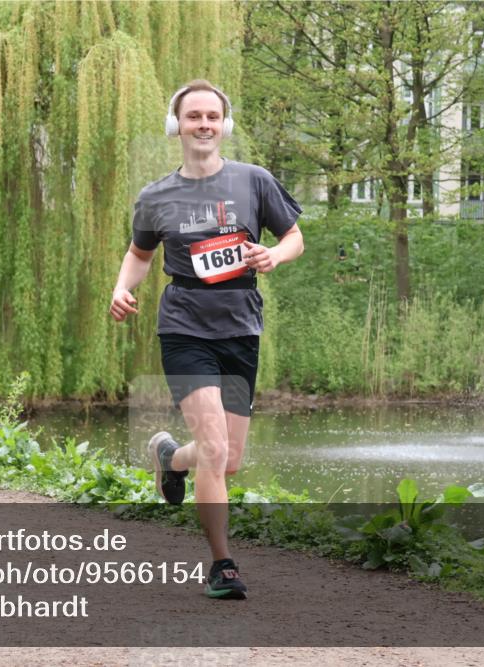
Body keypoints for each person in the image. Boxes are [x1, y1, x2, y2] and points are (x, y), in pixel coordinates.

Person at [109, 80, 303, 599]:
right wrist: (122, 289)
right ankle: (223, 565)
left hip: (240, 327)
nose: (203, 125)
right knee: (214, 447)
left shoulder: (254, 181)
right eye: (193, 116)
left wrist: (273, 255)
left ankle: (171, 458)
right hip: (184, 327)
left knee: (228, 458)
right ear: (176, 125)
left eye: (212, 116)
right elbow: (139, 254)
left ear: (225, 125)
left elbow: (294, 237)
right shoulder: (156, 196)